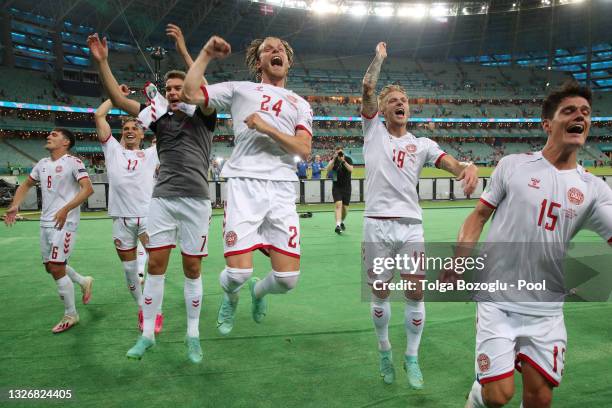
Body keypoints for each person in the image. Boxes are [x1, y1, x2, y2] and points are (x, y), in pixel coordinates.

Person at [459, 81, 611, 408]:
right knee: (498, 396)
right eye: (569, 111)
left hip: (547, 311)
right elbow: (478, 216)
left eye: (585, 112)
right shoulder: (513, 166)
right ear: (547, 123)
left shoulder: (594, 189)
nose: (580, 117)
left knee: (540, 398)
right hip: (497, 301)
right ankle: (477, 394)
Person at [88, 27, 216, 363]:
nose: (174, 93)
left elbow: (201, 86)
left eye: (179, 88)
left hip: (196, 199)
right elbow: (118, 100)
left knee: (192, 269)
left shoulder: (204, 114)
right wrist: (103, 63)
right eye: (170, 89)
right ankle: (147, 334)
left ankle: (193, 335)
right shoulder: (157, 118)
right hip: (160, 199)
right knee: (156, 266)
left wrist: (186, 49)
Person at [361, 42, 478, 388]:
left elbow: (449, 163)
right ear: (381, 109)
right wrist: (379, 58)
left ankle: (411, 356)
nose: (400, 104)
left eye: (404, 101)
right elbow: (368, 87)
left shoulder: (422, 144)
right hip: (376, 225)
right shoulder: (372, 132)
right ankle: (385, 349)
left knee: (415, 292)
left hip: (411, 226)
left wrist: (464, 169)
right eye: (393, 100)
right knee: (380, 293)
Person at [181, 35, 312, 336]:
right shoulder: (239, 89)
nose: (276, 50)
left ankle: (258, 293)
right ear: (259, 62)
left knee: (287, 280)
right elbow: (189, 94)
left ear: (288, 61)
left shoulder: (300, 103)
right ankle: (231, 296)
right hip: (244, 184)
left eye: (281, 48)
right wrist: (205, 53)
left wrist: (267, 127)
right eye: (269, 48)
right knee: (239, 273)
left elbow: (303, 149)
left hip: (281, 188)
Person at [4, 128, 94, 333]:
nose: (49, 136)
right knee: (51, 267)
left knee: (55, 265)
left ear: (66, 142)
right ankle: (83, 280)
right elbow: (26, 184)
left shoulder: (74, 162)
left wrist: (66, 209)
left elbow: (88, 189)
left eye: (54, 135)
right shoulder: (42, 164)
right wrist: (15, 205)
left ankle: (71, 314)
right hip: (45, 222)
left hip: (65, 222)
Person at [94, 85, 160, 332]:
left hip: (148, 218)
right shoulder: (112, 150)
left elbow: (168, 127)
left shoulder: (152, 153)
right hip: (121, 220)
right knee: (130, 273)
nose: (130, 131)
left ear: (143, 135)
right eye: (126, 129)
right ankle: (143, 309)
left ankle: (156, 310)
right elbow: (99, 116)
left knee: (156, 266)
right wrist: (114, 97)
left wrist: (153, 102)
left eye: (135, 128)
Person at [326, 146, 353, 234]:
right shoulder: (333, 160)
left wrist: (343, 161)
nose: (339, 154)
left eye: (340, 152)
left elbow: (351, 169)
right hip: (336, 186)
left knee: (345, 208)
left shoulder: (348, 159)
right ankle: (337, 225)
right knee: (338, 204)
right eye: (337, 153)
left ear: (343, 152)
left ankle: (341, 222)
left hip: (347, 187)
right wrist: (333, 160)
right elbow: (328, 169)